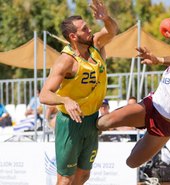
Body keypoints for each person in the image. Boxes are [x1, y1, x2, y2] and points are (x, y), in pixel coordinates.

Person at [97, 19, 170, 168]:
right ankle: (81, 130)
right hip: (152, 105)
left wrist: (159, 60)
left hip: (167, 124)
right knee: (105, 122)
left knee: (132, 162)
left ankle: (145, 132)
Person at [39, 0, 118, 184]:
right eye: (84, 29)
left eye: (88, 26)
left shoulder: (96, 45)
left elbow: (112, 30)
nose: (89, 30)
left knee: (84, 175)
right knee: (66, 179)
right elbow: (44, 94)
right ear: (73, 36)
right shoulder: (66, 61)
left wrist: (105, 18)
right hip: (70, 123)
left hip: (91, 119)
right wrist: (64, 99)